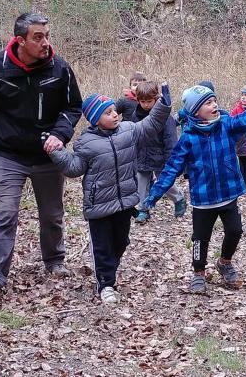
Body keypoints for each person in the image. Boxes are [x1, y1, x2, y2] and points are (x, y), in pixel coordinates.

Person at [0, 12, 83, 302]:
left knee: (52, 214)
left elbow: (73, 107)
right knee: (6, 211)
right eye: (38, 37)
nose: (45, 43)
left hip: (48, 155)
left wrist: (60, 134)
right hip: (8, 154)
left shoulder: (60, 68)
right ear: (20, 41)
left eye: (47, 35)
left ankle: (55, 261)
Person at [139, 83, 246, 294]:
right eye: (208, 102)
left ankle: (224, 262)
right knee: (200, 239)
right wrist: (153, 196)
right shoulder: (188, 139)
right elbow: (170, 170)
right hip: (203, 199)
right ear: (195, 110)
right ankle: (198, 273)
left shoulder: (226, 125)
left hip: (228, 193)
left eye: (214, 100)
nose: (214, 105)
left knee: (235, 230)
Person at [48, 85, 172, 303]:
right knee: (102, 246)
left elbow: (151, 125)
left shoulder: (128, 130)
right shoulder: (86, 142)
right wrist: (56, 152)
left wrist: (164, 105)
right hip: (99, 206)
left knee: (121, 242)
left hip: (125, 202)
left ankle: (108, 272)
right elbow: (74, 168)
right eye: (107, 112)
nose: (115, 114)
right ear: (95, 119)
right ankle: (106, 284)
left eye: (114, 110)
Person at [131, 81, 186, 223]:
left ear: (156, 99)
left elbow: (170, 139)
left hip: (161, 158)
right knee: (141, 184)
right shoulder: (135, 115)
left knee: (165, 183)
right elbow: (132, 135)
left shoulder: (165, 117)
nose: (146, 105)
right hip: (141, 156)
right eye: (142, 101)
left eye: (149, 101)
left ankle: (178, 198)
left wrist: (171, 160)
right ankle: (143, 209)